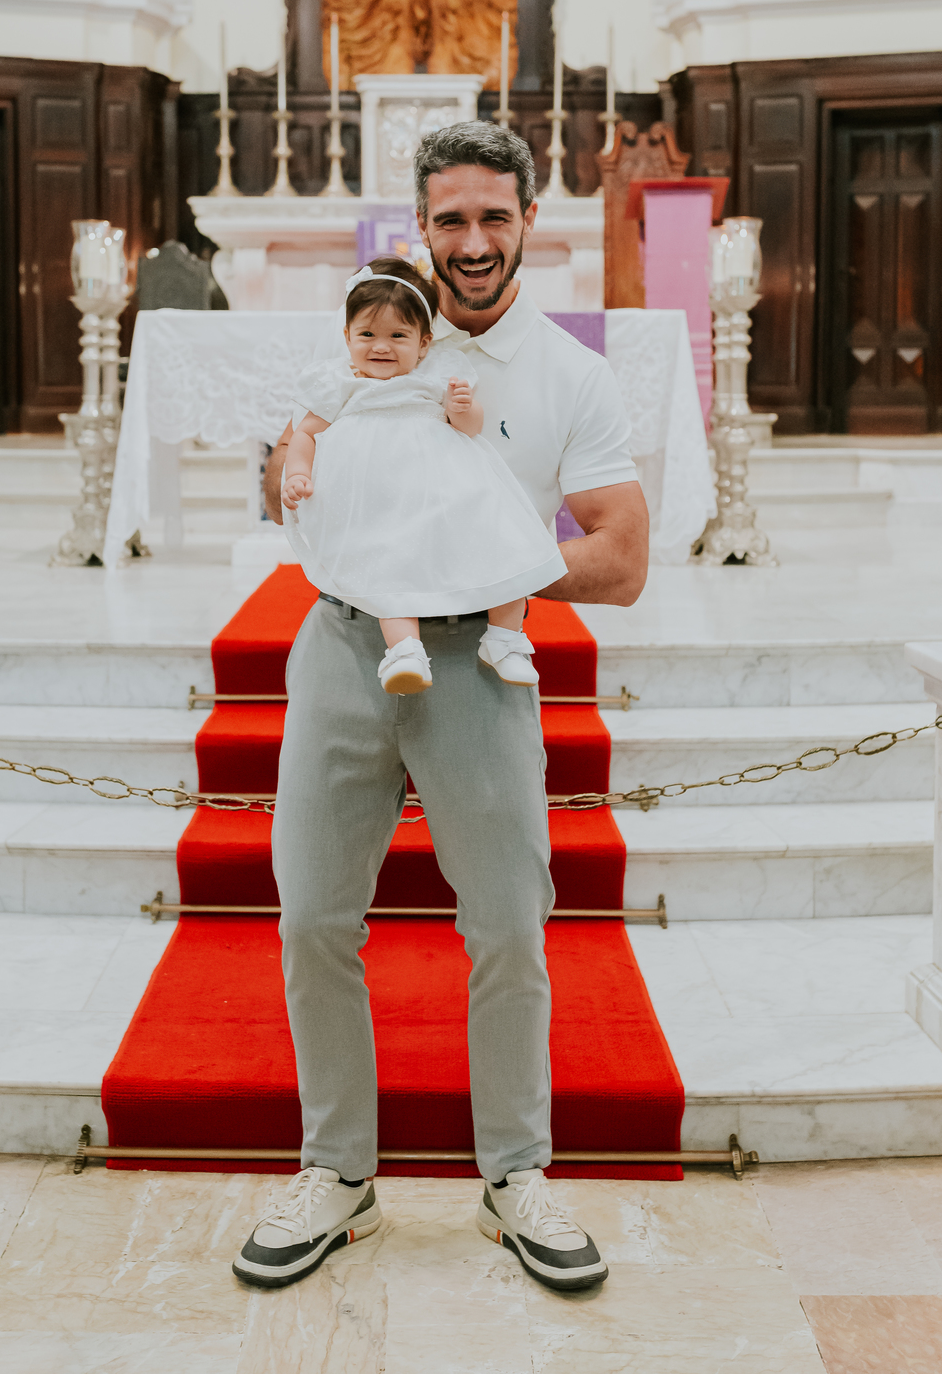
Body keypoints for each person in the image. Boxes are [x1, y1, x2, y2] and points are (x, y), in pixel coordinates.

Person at [232, 121, 649, 1295]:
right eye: (450, 219)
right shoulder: (368, 342)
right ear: (421, 228)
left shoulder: (569, 375)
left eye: (494, 217)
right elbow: (286, 490)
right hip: (345, 642)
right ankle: (338, 1177)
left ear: (530, 225)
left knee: (510, 925)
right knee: (312, 917)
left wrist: (472, 568)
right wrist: (306, 469)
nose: (472, 242)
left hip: (474, 657)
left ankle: (517, 1174)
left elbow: (620, 560)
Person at [279, 255, 568, 693]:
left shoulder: (439, 373)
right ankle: (404, 651)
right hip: (375, 498)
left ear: (424, 342)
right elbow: (306, 434)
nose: (381, 346)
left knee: (502, 542)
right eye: (367, 334)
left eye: (398, 335)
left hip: (444, 490)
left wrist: (462, 409)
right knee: (388, 565)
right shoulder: (339, 381)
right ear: (346, 337)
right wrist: (297, 472)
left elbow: (470, 429)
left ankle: (506, 638)